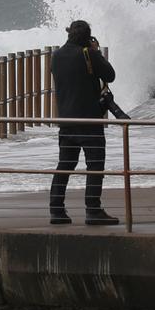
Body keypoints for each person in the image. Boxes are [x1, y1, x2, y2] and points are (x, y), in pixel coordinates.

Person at [48, 20, 119, 226]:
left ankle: (56, 210)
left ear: (69, 34)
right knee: (95, 166)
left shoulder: (57, 56)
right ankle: (93, 210)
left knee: (65, 165)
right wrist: (95, 51)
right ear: (88, 37)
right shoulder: (88, 54)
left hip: (66, 121)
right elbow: (110, 75)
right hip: (89, 120)